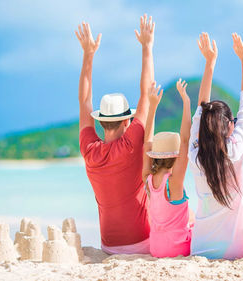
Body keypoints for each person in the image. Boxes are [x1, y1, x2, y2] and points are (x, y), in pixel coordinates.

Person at [76, 14, 155, 254]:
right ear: (125, 122)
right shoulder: (130, 145)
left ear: (101, 123)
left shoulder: (89, 151)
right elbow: (146, 95)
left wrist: (88, 55)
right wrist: (147, 47)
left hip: (108, 245)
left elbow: (84, 102)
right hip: (142, 242)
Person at [189, 32, 243, 259]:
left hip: (201, 248)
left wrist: (209, 63)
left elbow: (201, 110)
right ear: (229, 126)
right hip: (238, 250)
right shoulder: (234, 150)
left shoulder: (195, 153)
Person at [141, 79, 192, 258]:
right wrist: (186, 102)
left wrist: (152, 106)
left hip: (156, 247)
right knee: (194, 220)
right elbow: (185, 140)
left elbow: (146, 144)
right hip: (177, 249)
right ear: (176, 156)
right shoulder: (174, 182)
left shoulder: (147, 178)